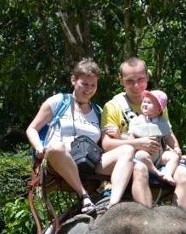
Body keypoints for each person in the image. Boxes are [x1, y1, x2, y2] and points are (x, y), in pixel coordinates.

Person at [26, 59, 135, 214]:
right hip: (59, 158)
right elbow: (32, 129)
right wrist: (38, 147)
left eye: (93, 85)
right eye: (84, 84)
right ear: (73, 80)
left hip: (89, 160)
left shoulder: (98, 111)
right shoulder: (58, 101)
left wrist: (123, 137)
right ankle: (83, 196)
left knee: (128, 151)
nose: (88, 90)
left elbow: (106, 143)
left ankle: (113, 203)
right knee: (57, 147)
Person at [100, 57, 186, 210]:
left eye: (140, 79)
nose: (136, 85)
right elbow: (107, 145)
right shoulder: (113, 106)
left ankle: (178, 221)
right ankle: (147, 219)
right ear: (121, 80)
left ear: (147, 78)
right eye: (130, 81)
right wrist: (137, 143)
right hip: (135, 161)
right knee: (140, 169)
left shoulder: (157, 102)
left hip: (159, 157)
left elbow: (167, 133)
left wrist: (176, 150)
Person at [127, 89, 186, 186]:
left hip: (160, 155)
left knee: (173, 157)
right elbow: (131, 137)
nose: (145, 104)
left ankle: (167, 173)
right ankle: (156, 172)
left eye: (149, 103)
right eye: (144, 102)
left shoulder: (162, 122)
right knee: (140, 156)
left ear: (159, 109)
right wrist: (135, 143)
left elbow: (169, 137)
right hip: (145, 154)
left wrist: (176, 147)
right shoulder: (136, 121)